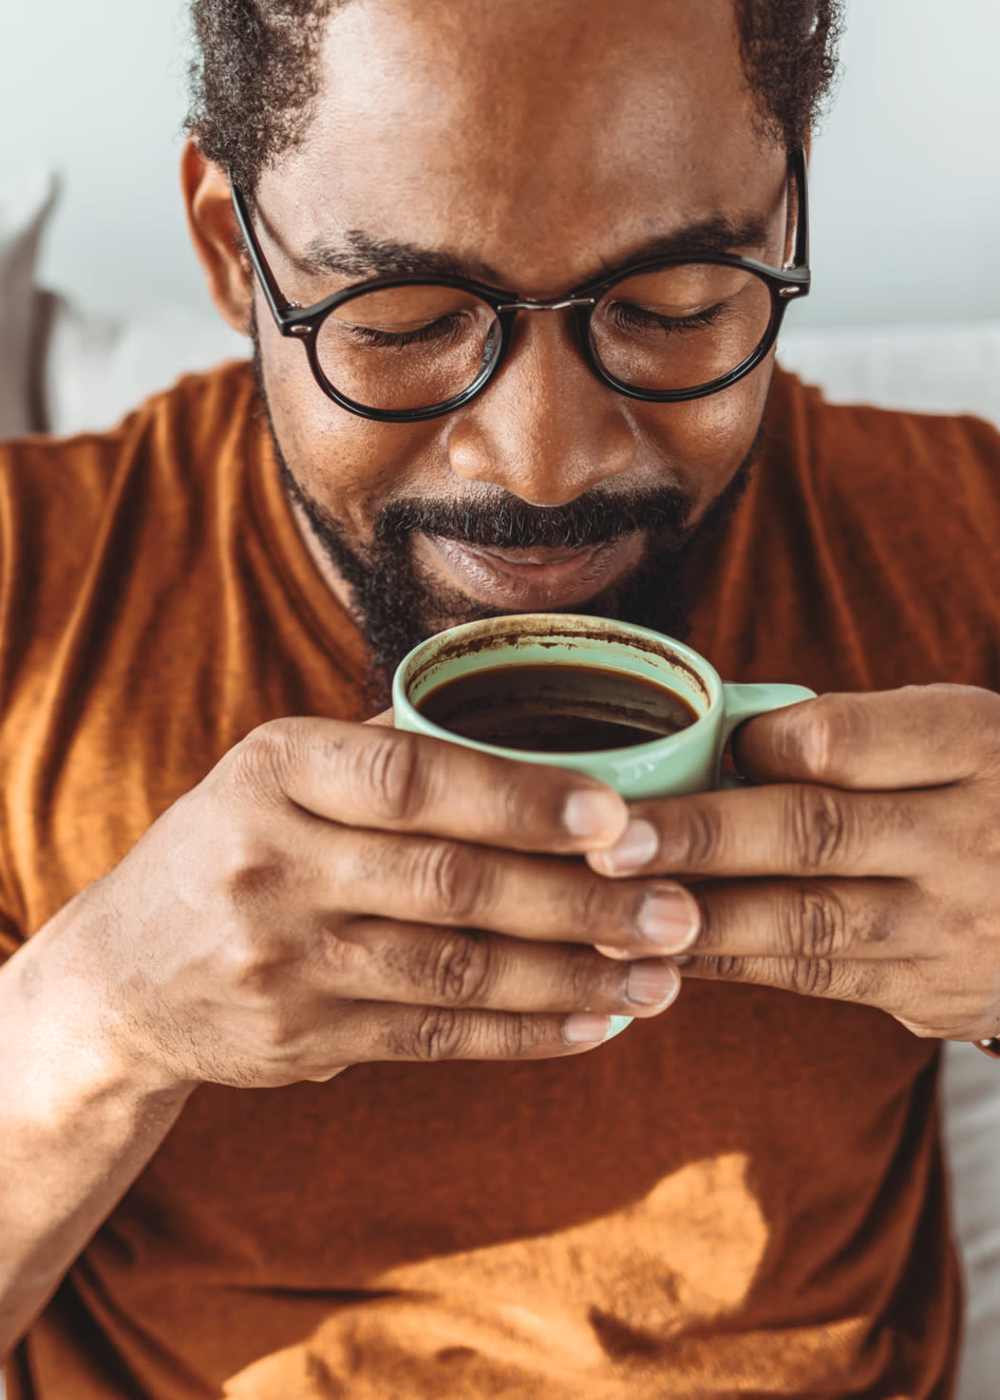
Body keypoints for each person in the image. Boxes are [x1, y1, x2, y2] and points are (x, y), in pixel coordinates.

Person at [2, 0, 998, 1394]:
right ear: (233, 254)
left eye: (672, 307)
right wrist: (102, 1019)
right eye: (403, 320)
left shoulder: (967, 543)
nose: (539, 460)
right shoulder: (31, 599)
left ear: (788, 222)